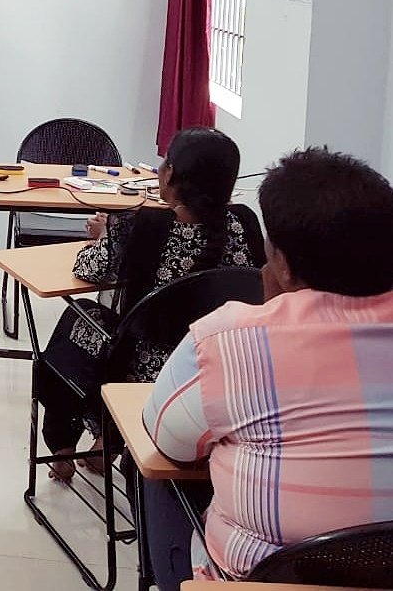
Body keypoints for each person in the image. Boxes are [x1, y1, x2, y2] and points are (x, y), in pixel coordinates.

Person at [144, 147, 393, 588]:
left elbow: (168, 439)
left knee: (159, 476)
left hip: (256, 578)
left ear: (284, 264)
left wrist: (272, 311)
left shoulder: (230, 339)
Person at [35, 127, 265, 482]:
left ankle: (64, 448)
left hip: (144, 369)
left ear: (169, 175)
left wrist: (104, 235)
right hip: (226, 367)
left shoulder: (142, 225)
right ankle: (105, 444)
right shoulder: (245, 223)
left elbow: (88, 269)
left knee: (77, 317)